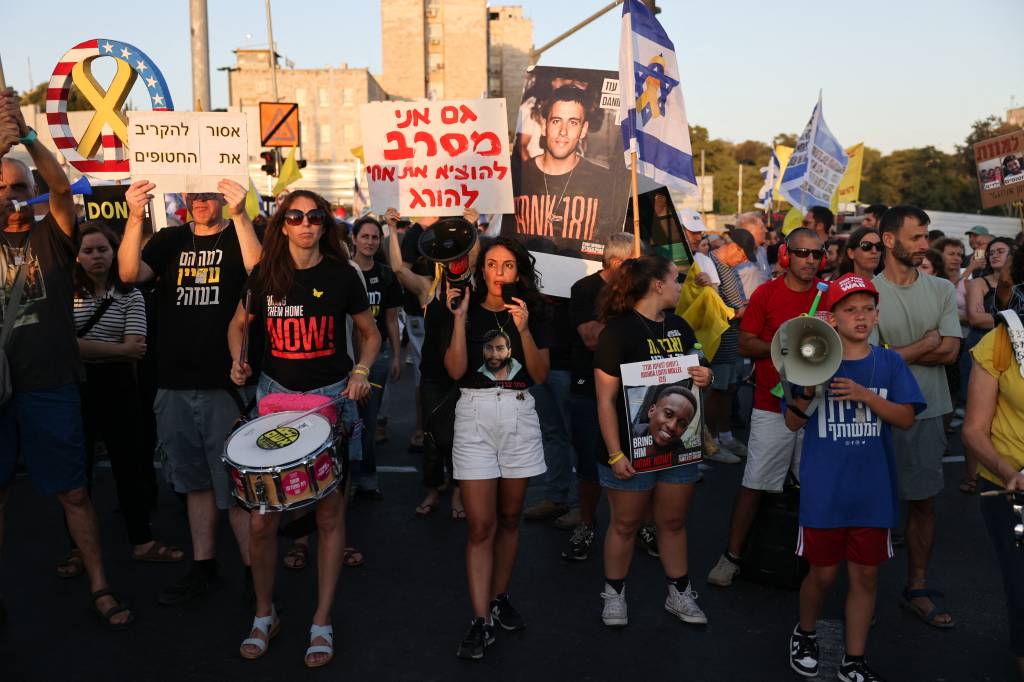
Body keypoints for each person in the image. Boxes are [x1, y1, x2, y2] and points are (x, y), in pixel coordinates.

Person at [227, 190, 380, 667]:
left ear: (325, 225)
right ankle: (264, 614)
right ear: (283, 225)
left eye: (315, 217)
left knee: (330, 517)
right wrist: (237, 359)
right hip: (273, 398)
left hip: (330, 399)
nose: (306, 224)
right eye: (295, 217)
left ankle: (321, 620)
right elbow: (238, 325)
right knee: (261, 517)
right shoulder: (265, 273)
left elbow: (370, 334)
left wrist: (361, 371)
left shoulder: (343, 275)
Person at [0, 88, 132, 630]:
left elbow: (62, 187)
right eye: (2, 187)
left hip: (49, 384)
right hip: (1, 393)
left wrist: (28, 135)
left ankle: (100, 583)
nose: (11, 196)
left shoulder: (51, 237)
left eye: (19, 187)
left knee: (75, 492)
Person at [119, 176, 262, 606]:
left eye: (208, 193)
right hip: (174, 381)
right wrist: (134, 216)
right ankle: (204, 566)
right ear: (183, 195)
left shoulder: (239, 234)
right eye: (193, 193)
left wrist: (240, 214)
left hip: (225, 384)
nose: (200, 201)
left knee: (235, 485)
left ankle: (256, 575)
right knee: (194, 481)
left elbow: (258, 271)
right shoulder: (169, 240)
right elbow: (128, 273)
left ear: (222, 195)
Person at [785, 274, 924, 682]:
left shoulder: (889, 363)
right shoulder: (812, 359)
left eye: (867, 309)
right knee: (823, 573)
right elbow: (792, 423)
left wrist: (866, 395)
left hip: (872, 492)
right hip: (825, 491)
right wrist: (807, 390)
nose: (860, 317)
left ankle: (854, 659)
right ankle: (805, 632)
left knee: (865, 576)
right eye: (850, 310)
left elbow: (906, 418)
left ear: (877, 316)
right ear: (832, 317)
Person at [436, 235, 550, 660]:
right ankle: (480, 618)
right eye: (491, 264)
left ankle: (499, 597)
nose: (499, 273)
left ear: (519, 270)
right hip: (474, 415)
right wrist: (458, 319)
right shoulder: (461, 307)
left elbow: (540, 374)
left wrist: (524, 329)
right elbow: (454, 371)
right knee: (480, 526)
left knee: (509, 518)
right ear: (480, 269)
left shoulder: (534, 310)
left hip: (519, 412)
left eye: (507, 265)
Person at [593, 255, 713, 628]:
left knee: (672, 522)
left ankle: (679, 592)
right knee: (625, 523)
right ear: (657, 285)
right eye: (676, 280)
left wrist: (705, 376)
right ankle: (614, 594)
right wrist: (615, 454)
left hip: (679, 453)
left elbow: (699, 366)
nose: (680, 286)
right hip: (630, 451)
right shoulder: (617, 332)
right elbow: (605, 401)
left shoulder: (680, 326)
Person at [706, 228, 825, 587]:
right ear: (786, 255)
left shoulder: (829, 294)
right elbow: (745, 344)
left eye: (816, 254)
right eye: (802, 253)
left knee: (816, 487)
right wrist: (785, 343)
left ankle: (815, 562)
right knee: (755, 483)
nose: (809, 260)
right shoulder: (766, 293)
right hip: (772, 405)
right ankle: (732, 556)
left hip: (818, 407)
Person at [872, 205, 961, 628]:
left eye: (927, 236)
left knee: (922, 503)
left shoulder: (941, 289)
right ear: (889, 240)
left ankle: (917, 587)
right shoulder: (867, 293)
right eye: (916, 237)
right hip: (874, 413)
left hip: (928, 411)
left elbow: (951, 351)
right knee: (870, 507)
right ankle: (863, 593)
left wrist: (895, 353)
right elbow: (869, 363)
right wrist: (925, 345)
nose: (925, 245)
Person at [73, 222, 180, 564]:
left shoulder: (131, 294)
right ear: (77, 256)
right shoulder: (66, 294)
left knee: (129, 468)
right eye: (88, 250)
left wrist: (81, 347)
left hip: (119, 387)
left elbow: (135, 348)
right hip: (77, 388)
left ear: (114, 252)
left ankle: (142, 540)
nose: (96, 256)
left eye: (102, 249)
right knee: (78, 473)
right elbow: (66, 346)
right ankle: (77, 547)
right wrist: (114, 349)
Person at [386, 208, 478, 519]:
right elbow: (398, 269)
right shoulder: (429, 288)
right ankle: (433, 488)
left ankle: (459, 491)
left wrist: (472, 226)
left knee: (462, 435)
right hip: (434, 374)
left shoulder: (474, 287)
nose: (453, 261)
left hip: (466, 373)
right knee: (431, 434)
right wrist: (392, 230)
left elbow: (474, 254)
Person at [962, 293, 1024, 678]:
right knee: (1023, 595)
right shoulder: (1001, 340)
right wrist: (1008, 472)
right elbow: (973, 430)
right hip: (1012, 492)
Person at [563, 232, 632, 562]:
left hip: (632, 388)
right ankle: (587, 523)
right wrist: (629, 319)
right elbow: (591, 339)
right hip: (589, 386)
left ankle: (636, 526)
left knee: (637, 458)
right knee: (590, 459)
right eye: (634, 263)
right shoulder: (584, 289)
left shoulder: (639, 288)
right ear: (616, 263)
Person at [511, 85, 618, 254]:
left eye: (573, 122)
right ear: (544, 126)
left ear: (583, 130)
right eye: (556, 121)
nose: (563, 131)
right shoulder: (516, 177)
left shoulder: (604, 182)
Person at [351, 216, 402, 498]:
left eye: (374, 237)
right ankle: (347, 481)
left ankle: (367, 479)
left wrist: (395, 356)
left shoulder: (386, 275)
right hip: (347, 359)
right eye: (365, 236)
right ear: (354, 239)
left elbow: (392, 320)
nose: (370, 242)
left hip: (378, 359)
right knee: (347, 423)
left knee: (368, 422)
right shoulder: (344, 272)